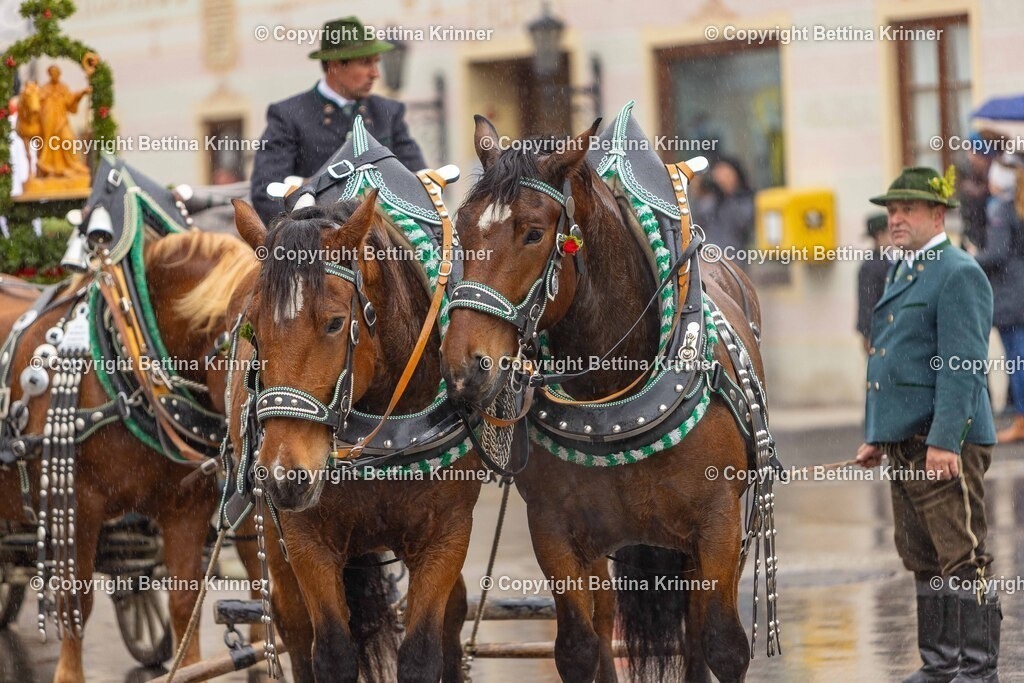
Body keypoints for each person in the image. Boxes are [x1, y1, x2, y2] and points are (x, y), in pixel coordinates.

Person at [855, 167, 1000, 683]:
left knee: (962, 555)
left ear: (937, 215)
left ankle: (979, 670)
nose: (896, 218)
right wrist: (878, 433)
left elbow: (963, 365)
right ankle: (939, 666)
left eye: (907, 209)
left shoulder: (956, 271)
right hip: (905, 443)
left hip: (943, 443)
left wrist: (944, 442)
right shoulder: (904, 268)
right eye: (892, 210)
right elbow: (891, 360)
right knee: (922, 557)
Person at [250, 16, 427, 224]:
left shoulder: (388, 112)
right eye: (365, 63)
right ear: (335, 65)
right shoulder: (288, 115)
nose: (375, 73)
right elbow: (267, 192)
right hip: (319, 241)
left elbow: (418, 180)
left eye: (376, 63)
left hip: (388, 239)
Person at [974, 154, 1024, 443]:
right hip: (1019, 289)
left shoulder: (1001, 210)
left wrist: (968, 259)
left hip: (1010, 295)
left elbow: (996, 253)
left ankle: (1021, 420)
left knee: (1017, 359)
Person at [701, 157, 755, 259]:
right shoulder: (711, 203)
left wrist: (729, 192)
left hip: (737, 262)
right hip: (711, 260)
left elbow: (744, 224)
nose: (720, 177)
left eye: (725, 173)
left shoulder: (747, 201)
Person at [855, 213, 893, 352]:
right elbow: (867, 303)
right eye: (889, 231)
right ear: (879, 235)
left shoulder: (890, 261)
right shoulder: (871, 266)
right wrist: (868, 334)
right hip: (880, 333)